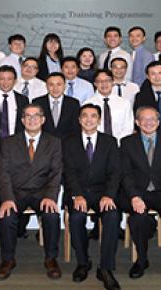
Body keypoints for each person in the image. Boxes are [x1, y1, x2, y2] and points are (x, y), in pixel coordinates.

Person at [0, 104, 63, 280]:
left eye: (36, 116)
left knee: (52, 216)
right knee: (6, 216)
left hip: (42, 193)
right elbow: (3, 173)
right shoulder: (8, 142)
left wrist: (50, 197)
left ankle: (51, 258)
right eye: (28, 116)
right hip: (16, 193)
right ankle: (8, 260)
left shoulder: (54, 142)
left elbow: (56, 173)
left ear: (43, 119)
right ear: (22, 120)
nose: (32, 120)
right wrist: (7, 198)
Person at [119, 106, 161, 280]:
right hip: (138, 192)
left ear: (158, 122)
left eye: (152, 119)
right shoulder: (127, 143)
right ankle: (141, 260)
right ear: (137, 122)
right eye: (144, 119)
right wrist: (134, 197)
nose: (148, 123)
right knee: (138, 219)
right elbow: (125, 174)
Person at [62, 104, 121, 290]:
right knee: (76, 217)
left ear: (99, 120)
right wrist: (77, 195)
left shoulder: (110, 141)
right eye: (85, 116)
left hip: (103, 192)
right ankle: (83, 262)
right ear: (79, 120)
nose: (89, 119)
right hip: (78, 192)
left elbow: (115, 172)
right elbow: (68, 172)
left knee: (112, 216)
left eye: (93, 116)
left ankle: (106, 268)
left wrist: (109, 195)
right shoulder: (69, 142)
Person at [84, 69, 134, 141]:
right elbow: (86, 126)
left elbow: (128, 127)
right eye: (100, 81)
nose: (104, 84)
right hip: (96, 144)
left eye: (107, 80)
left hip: (120, 144)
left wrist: (116, 142)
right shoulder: (87, 104)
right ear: (95, 83)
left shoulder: (124, 103)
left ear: (113, 82)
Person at [33, 72, 80, 141]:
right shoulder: (37, 103)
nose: (55, 88)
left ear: (64, 86)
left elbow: (76, 128)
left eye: (59, 84)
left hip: (66, 143)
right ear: (46, 86)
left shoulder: (73, 103)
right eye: (51, 85)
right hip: (43, 143)